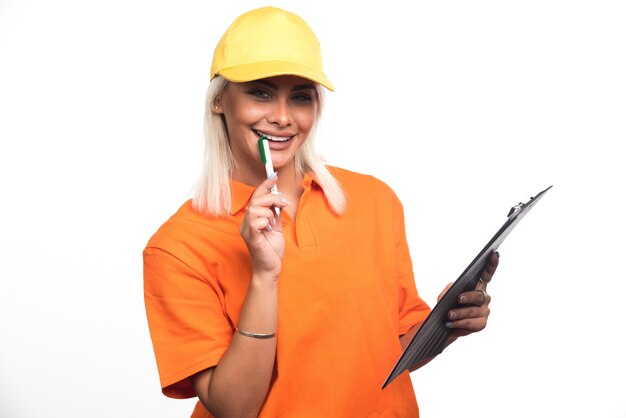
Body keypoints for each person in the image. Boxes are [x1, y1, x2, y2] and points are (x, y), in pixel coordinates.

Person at [143, 6, 499, 418]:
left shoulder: (374, 201)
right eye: (260, 92)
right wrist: (263, 276)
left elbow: (388, 357)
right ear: (220, 100)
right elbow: (233, 409)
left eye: (300, 97)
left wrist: (448, 323)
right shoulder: (177, 246)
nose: (281, 117)